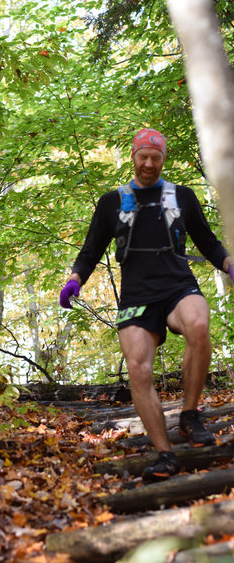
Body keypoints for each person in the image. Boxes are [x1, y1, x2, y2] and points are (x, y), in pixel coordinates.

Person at [59, 128, 234, 482]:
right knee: (138, 368)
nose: (149, 163)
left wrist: (230, 264)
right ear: (134, 157)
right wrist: (75, 279)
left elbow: (208, 243)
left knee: (199, 325)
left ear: (163, 160)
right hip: (137, 297)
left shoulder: (181, 197)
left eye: (156, 157)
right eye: (143, 156)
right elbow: (91, 250)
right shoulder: (112, 203)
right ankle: (164, 454)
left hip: (177, 286)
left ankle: (189, 414)